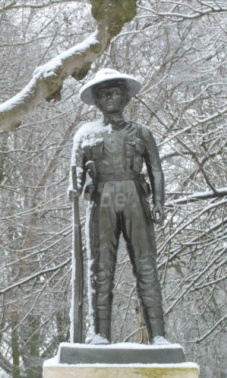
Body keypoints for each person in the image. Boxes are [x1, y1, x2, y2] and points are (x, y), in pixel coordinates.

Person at [69, 68, 168, 345]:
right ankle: (99, 334)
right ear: (96, 101)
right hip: (102, 199)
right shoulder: (85, 134)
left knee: (146, 264)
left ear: (125, 97)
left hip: (135, 196)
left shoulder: (142, 132)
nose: (108, 98)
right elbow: (75, 169)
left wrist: (159, 202)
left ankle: (158, 334)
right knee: (100, 268)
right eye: (102, 94)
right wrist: (74, 186)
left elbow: (156, 170)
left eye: (113, 92)